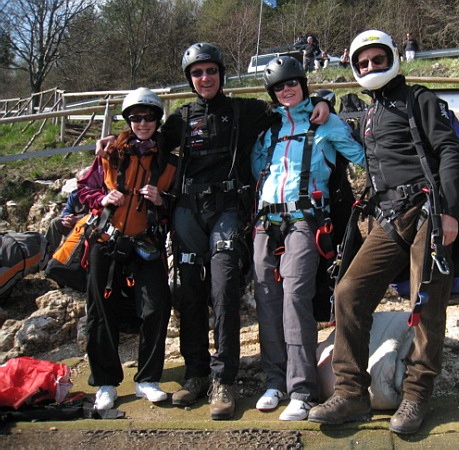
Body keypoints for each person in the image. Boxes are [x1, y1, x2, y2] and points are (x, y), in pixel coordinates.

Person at [97, 43, 331, 420]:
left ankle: (224, 379)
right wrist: (116, 140)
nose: (204, 78)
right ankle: (196, 373)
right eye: (197, 73)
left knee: (224, 292)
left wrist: (322, 100)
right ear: (189, 79)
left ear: (221, 74)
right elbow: (146, 140)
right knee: (189, 293)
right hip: (188, 212)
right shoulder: (180, 118)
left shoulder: (245, 110)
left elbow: (288, 104)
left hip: (227, 210)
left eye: (211, 71)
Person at [307, 30, 459, 435]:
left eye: (378, 59)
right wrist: (323, 99)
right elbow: (331, 120)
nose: (371, 67)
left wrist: (449, 212)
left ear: (394, 58)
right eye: (363, 63)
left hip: (427, 212)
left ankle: (416, 395)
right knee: (348, 293)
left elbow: (449, 151)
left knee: (424, 304)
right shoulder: (370, 112)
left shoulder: (419, 99)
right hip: (387, 216)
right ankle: (350, 392)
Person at [251, 57, 364, 421]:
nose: (286, 90)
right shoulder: (269, 130)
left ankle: (302, 389)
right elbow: (257, 169)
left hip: (306, 220)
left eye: (292, 83)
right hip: (266, 222)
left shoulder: (325, 123)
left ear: (303, 84)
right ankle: (275, 381)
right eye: (279, 87)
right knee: (267, 298)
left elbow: (361, 156)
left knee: (295, 296)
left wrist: (329, 105)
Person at [79, 88, 176, 411]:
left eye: (149, 117)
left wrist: (162, 199)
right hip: (106, 241)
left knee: (156, 307)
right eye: (136, 117)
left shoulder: (168, 160)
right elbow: (85, 189)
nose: (143, 123)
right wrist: (102, 198)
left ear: (158, 120)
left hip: (146, 243)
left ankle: (147, 379)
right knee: (100, 313)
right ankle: (105, 382)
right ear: (128, 120)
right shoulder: (110, 153)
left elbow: (178, 203)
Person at [45, 168, 89, 255]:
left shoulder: (98, 194)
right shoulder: (75, 195)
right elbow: (67, 210)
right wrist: (67, 218)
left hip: (89, 227)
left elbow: (97, 213)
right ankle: (47, 254)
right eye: (82, 181)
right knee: (56, 223)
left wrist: (77, 219)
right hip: (74, 227)